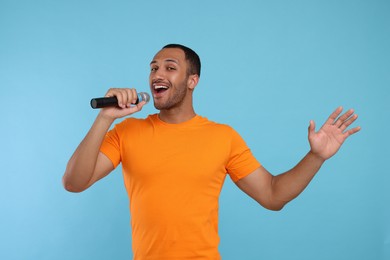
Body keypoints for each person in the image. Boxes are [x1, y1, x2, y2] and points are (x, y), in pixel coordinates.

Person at [63, 44, 361, 259]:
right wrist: (104, 118)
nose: (157, 73)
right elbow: (74, 183)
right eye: (153, 67)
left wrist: (316, 156)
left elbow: (272, 195)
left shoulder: (223, 137)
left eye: (170, 67)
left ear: (193, 81)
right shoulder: (127, 133)